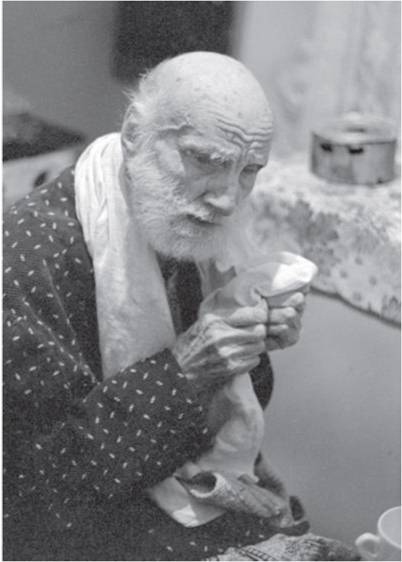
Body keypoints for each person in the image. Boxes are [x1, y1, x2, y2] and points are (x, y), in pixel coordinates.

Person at [3, 52, 357, 562]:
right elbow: (34, 499)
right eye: (204, 160)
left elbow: (225, 414)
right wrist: (186, 371)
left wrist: (251, 346)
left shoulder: (183, 223)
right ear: (134, 134)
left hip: (182, 489)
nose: (228, 199)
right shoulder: (26, 260)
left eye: (248, 171)